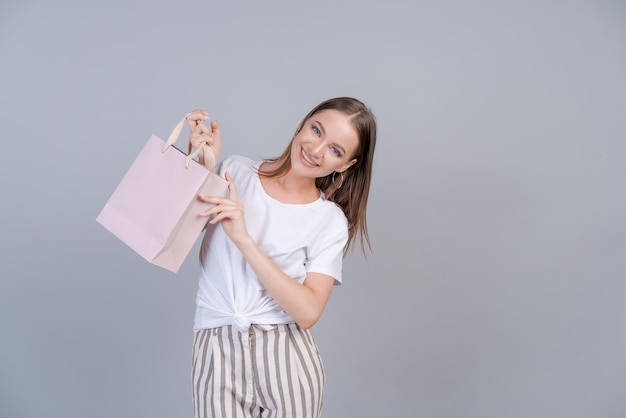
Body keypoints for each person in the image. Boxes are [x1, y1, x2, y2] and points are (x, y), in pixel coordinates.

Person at [185, 97, 377, 418]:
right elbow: (170, 232)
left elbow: (308, 312)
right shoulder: (233, 172)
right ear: (303, 123)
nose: (316, 150)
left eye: (335, 150)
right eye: (317, 130)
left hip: (285, 357)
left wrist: (244, 240)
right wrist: (200, 167)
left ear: (345, 165)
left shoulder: (328, 220)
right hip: (216, 347)